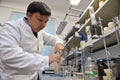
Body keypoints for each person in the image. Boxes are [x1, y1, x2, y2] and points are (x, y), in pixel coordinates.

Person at [0, 1, 64, 80]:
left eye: (46, 21)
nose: (43, 25)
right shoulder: (12, 27)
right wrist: (46, 60)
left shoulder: (40, 33)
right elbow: (9, 56)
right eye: (40, 20)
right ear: (29, 15)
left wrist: (59, 43)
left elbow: (55, 39)